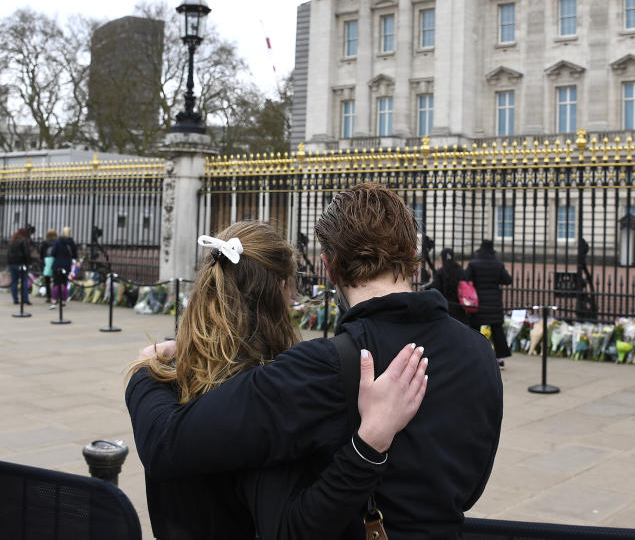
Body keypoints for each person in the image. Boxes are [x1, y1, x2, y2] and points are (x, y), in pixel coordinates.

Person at [126, 183, 503, 539]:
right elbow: (468, 491)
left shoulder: (321, 367)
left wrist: (146, 372)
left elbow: (167, 444)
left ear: (329, 266)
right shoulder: (479, 353)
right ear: (414, 255)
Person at [465, 239, 513, 370]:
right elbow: (507, 280)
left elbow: (465, 279)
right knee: (497, 330)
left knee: (475, 330)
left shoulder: (473, 264)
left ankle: (474, 356)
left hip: (478, 303)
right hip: (494, 303)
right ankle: (500, 360)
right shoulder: (498, 264)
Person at [424, 247, 466, 324]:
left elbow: (436, 290)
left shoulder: (441, 272)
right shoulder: (461, 270)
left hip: (445, 309)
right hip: (460, 308)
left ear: (442, 258)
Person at [49, 226, 78, 307]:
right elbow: (75, 255)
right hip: (66, 265)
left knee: (56, 282)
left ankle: (54, 299)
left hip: (57, 264)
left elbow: (52, 253)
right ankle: (63, 300)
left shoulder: (58, 241)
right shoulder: (71, 242)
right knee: (64, 282)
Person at [7, 228, 32, 305]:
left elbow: (8, 253)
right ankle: (25, 299)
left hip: (12, 263)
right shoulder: (23, 240)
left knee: (14, 281)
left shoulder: (12, 240)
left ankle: (15, 299)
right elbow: (26, 252)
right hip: (21, 263)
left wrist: (9, 263)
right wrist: (29, 263)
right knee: (24, 280)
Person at [40, 229, 57, 303]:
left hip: (46, 261)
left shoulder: (44, 242)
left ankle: (48, 297)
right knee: (56, 280)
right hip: (55, 262)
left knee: (47, 280)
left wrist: (42, 259)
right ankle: (55, 296)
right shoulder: (57, 242)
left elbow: (41, 252)